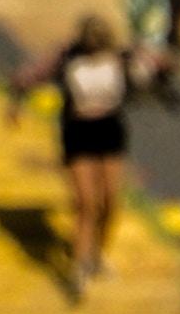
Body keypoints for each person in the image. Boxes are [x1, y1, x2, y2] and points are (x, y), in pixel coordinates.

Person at [46, 20, 137, 294]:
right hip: (79, 131)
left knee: (110, 200)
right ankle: (80, 264)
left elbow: (148, 76)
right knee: (86, 202)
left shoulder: (120, 62)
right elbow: (36, 73)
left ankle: (99, 252)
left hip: (108, 130)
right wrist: (17, 96)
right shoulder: (70, 61)